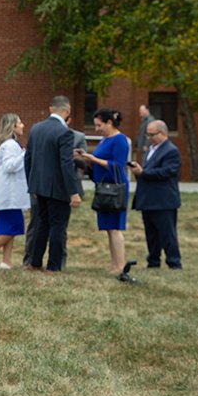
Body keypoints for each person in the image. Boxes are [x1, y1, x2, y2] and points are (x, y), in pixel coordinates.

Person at [23, 96, 82, 272]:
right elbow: (66, 164)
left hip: (38, 186)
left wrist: (31, 184)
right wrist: (73, 191)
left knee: (42, 223)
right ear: (68, 110)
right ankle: (54, 266)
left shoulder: (36, 129)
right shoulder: (65, 132)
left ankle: (34, 262)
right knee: (58, 225)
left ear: (50, 109)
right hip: (58, 187)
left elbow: (28, 158)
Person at [79, 108, 130, 274]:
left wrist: (94, 159)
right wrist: (86, 160)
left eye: (99, 125)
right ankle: (114, 265)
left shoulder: (120, 140)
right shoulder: (104, 140)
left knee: (115, 227)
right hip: (103, 187)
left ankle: (120, 266)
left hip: (116, 188)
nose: (97, 129)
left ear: (109, 122)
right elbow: (99, 162)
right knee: (108, 228)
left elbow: (117, 164)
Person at [131, 120, 182, 270]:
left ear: (163, 133)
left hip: (163, 201)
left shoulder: (171, 150)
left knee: (167, 235)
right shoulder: (150, 150)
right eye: (147, 134)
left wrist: (144, 172)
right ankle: (153, 262)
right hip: (148, 199)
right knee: (151, 235)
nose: (149, 137)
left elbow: (168, 172)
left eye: (152, 134)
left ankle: (174, 263)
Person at [0, 113, 29, 270]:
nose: (23, 125)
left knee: (9, 228)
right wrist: (24, 154)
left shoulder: (9, 144)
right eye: (20, 123)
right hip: (10, 196)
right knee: (14, 227)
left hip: (8, 195)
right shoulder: (10, 145)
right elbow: (10, 166)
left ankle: (6, 261)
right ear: (13, 126)